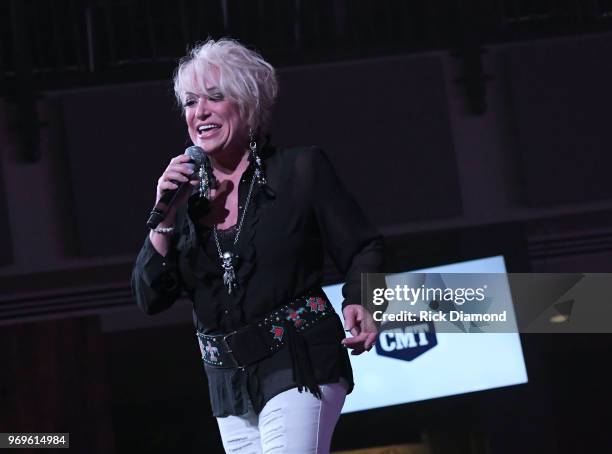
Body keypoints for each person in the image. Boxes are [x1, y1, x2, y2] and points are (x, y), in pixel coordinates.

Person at [131, 38, 383, 453]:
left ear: (248, 107)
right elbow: (150, 298)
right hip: (229, 388)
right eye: (191, 102)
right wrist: (166, 219)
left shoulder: (301, 170)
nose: (200, 112)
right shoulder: (185, 201)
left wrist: (364, 300)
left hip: (300, 363)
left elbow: (363, 245)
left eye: (215, 97)